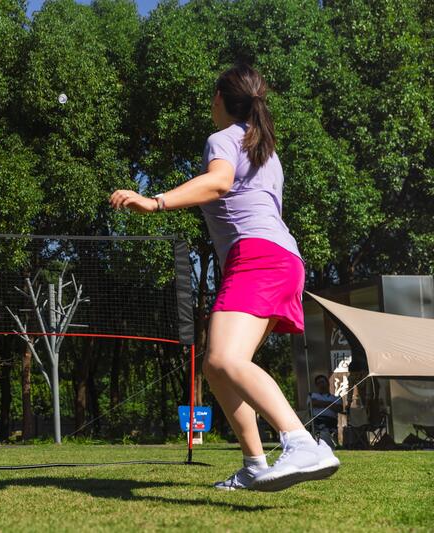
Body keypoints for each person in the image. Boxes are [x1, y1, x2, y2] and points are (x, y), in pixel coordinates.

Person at [110, 64, 339, 491]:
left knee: (226, 360)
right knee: (219, 368)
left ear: (220, 99)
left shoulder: (222, 139)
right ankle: (255, 464)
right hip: (282, 259)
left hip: (258, 257)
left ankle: (301, 441)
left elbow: (218, 183)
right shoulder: (265, 148)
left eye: (212, 96)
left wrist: (154, 202)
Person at [308, 374, 343, 449]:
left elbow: (339, 409)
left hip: (330, 422)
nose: (320, 384)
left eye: (322, 382)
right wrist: (330, 404)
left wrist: (321, 403)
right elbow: (313, 403)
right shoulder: (313, 395)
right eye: (318, 383)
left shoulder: (336, 398)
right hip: (317, 421)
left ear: (328, 383)